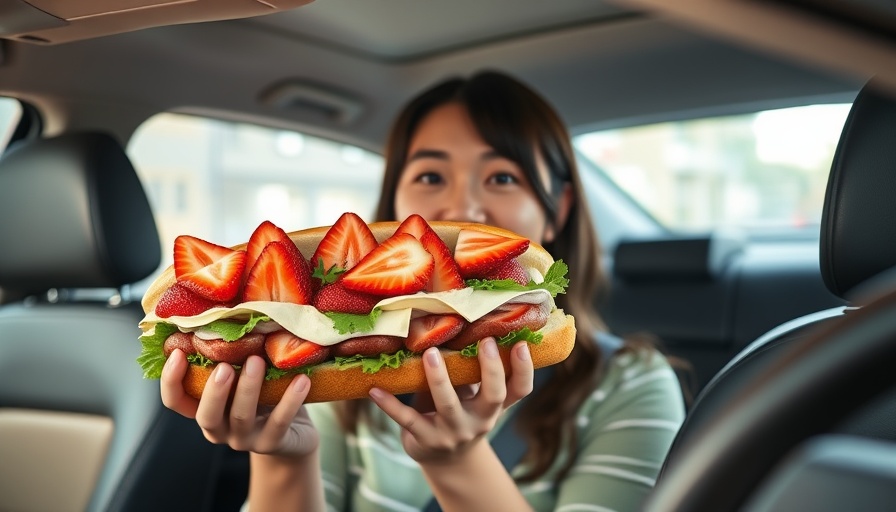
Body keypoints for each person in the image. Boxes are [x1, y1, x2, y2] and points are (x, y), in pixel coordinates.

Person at [160, 70, 687, 512]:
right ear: (394, 200)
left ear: (558, 210)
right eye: (431, 176)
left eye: (503, 178)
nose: (464, 208)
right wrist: (284, 458)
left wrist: (456, 461)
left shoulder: (632, 385)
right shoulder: (327, 373)